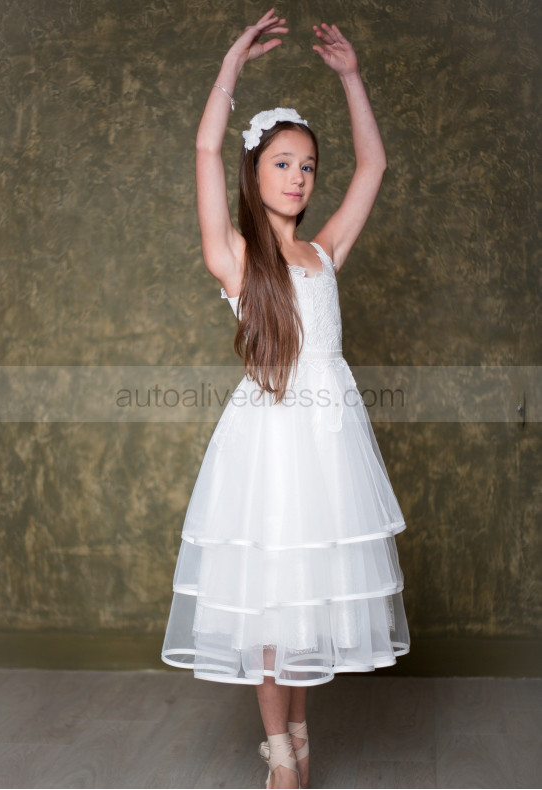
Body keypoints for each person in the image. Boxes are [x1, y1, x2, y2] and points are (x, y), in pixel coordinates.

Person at [161, 9, 410, 789]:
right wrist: (231, 69)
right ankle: (281, 757)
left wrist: (351, 78)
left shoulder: (324, 252)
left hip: (329, 444)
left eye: (307, 165)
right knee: (273, 606)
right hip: (270, 446)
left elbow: (372, 167)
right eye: (282, 164)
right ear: (254, 173)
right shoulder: (236, 257)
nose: (299, 177)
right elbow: (204, 147)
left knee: (305, 600)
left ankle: (297, 732)